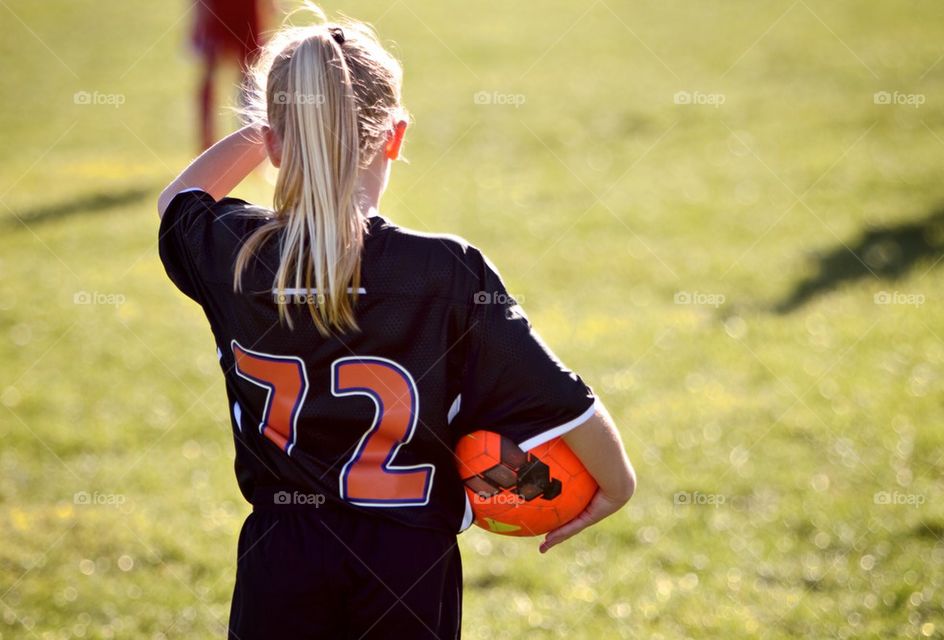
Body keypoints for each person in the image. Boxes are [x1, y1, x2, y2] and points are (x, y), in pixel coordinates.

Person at [157, 8, 635, 639]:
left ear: (273, 142)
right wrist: (618, 484)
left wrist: (283, 123)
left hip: (282, 557)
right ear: (394, 136)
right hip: (407, 565)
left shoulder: (233, 253)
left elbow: (178, 202)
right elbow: (562, 402)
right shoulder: (444, 270)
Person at [191, 0, 271, 150]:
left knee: (250, 75)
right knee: (211, 75)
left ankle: (253, 141)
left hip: (247, 9)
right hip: (216, 9)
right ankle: (206, 142)